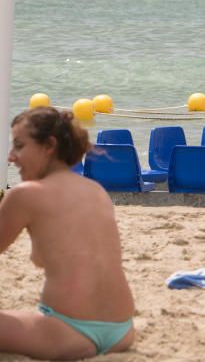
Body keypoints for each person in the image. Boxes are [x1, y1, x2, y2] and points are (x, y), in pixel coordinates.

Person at [0, 107, 135, 358]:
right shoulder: (96, 191)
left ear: (49, 145)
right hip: (122, 330)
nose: (11, 157)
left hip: (67, 331)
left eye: (19, 146)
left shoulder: (26, 194)